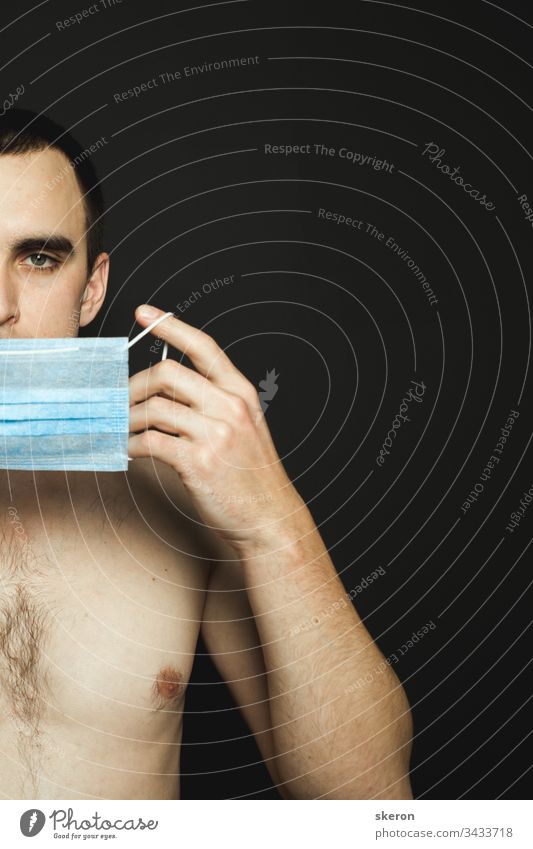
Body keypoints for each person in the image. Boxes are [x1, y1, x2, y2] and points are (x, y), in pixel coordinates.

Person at [0, 109, 413, 800]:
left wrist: (276, 526)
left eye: (39, 258)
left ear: (92, 288)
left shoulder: (171, 490)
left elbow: (369, 802)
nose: (1, 304)